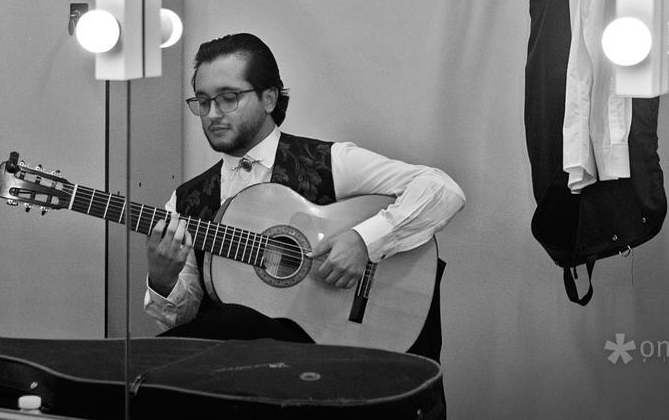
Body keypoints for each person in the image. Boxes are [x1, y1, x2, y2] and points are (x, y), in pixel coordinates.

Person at [143, 32, 465, 360]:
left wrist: (363, 242)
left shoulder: (329, 163)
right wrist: (163, 278)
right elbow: (183, 321)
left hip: (331, 361)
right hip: (240, 378)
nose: (212, 114)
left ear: (269, 98)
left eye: (228, 98)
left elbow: (442, 190)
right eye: (203, 101)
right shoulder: (187, 201)